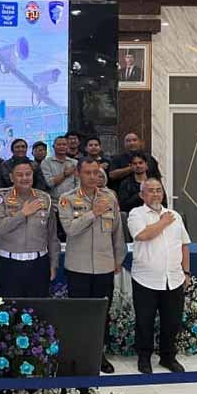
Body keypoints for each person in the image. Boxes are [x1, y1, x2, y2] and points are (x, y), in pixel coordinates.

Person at [57, 158, 125, 374]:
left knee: (102, 314)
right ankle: (77, 355)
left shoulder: (109, 197)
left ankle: (98, 354)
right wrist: (93, 212)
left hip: (105, 266)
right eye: (87, 172)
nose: (93, 177)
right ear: (78, 174)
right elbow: (70, 229)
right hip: (79, 267)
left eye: (96, 172)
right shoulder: (67, 199)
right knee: (79, 314)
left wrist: (118, 259)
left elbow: (117, 232)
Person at [128, 178, 190, 375]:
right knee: (144, 322)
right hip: (145, 279)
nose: (156, 194)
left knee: (172, 321)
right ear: (142, 195)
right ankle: (144, 358)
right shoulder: (136, 214)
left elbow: (184, 245)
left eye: (158, 190)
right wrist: (163, 222)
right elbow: (142, 235)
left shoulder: (175, 215)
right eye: (151, 190)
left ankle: (168, 357)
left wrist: (186, 272)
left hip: (174, 278)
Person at [0, 159, 59, 298]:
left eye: (28, 174)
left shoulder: (44, 198)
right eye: (20, 175)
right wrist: (23, 213)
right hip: (10, 264)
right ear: (11, 177)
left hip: (38, 264)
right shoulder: (2, 196)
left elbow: (52, 235)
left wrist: (53, 264)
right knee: (11, 306)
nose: (25, 178)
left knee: (39, 307)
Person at [41, 136, 78, 200]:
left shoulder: (74, 163)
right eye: (59, 145)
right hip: (54, 200)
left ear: (67, 146)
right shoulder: (46, 162)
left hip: (72, 200)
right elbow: (49, 183)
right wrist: (65, 174)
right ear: (53, 146)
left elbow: (78, 183)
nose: (61, 147)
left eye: (64, 144)